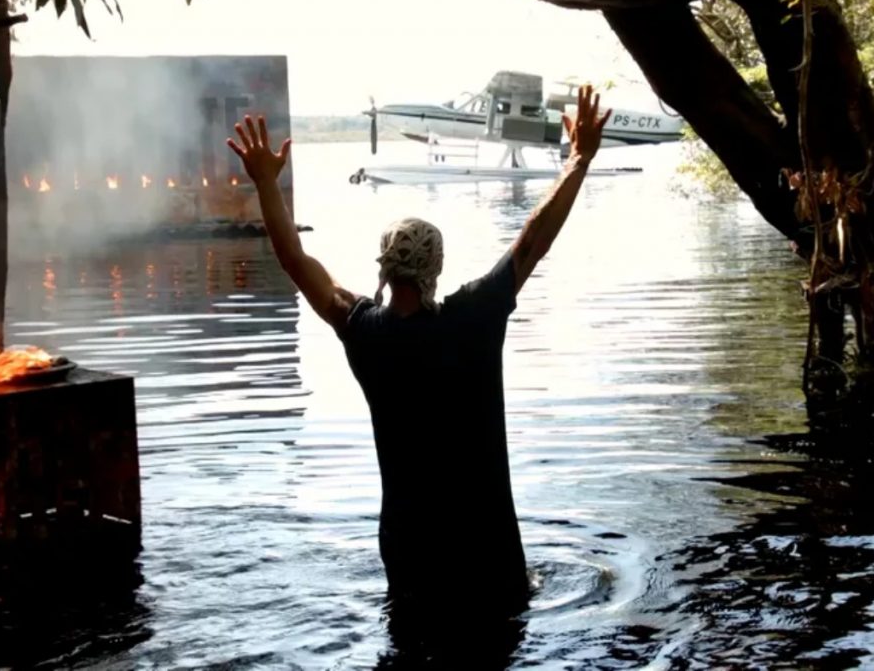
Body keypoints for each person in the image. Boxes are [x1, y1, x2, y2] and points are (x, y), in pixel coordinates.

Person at [228, 87, 611, 621]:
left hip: (409, 552)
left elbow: (295, 259)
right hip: (486, 552)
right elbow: (532, 240)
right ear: (436, 267)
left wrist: (267, 182)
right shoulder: (475, 318)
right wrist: (578, 158)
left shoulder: (361, 330)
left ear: (383, 266)